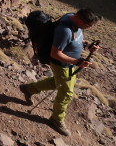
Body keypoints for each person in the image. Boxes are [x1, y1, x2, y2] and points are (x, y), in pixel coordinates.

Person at [20, 8, 101, 136]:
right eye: (87, 25)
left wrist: (87, 45)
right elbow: (55, 53)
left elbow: (75, 40)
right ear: (80, 19)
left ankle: (29, 89)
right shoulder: (64, 31)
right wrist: (77, 62)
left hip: (69, 63)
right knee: (67, 93)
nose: (88, 28)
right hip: (62, 65)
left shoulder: (72, 19)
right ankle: (56, 119)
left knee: (57, 82)